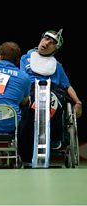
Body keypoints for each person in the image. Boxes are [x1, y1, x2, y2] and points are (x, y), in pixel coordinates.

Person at [18, 29, 82, 162]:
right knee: (28, 105)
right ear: (41, 39)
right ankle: (26, 147)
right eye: (46, 39)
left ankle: (54, 136)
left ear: (55, 49)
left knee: (54, 100)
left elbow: (67, 85)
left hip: (53, 91)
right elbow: (21, 78)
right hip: (31, 89)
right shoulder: (26, 58)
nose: (46, 43)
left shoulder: (57, 66)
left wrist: (78, 102)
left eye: (52, 43)